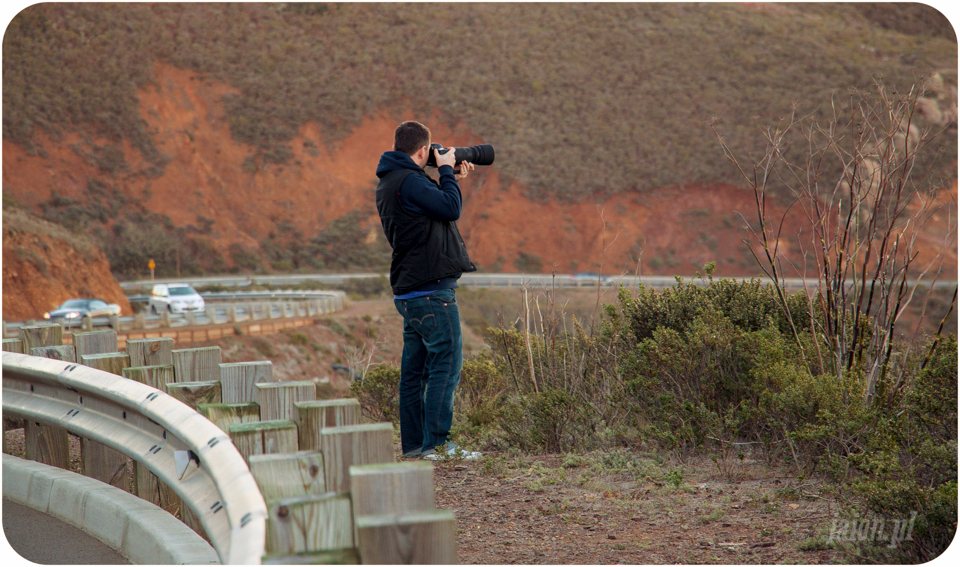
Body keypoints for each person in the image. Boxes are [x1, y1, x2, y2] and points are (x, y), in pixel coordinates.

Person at [374, 120, 480, 460]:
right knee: (445, 366)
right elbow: (451, 209)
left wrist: (450, 178)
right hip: (432, 292)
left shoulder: (393, 181)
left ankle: (414, 447)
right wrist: (447, 172)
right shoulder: (409, 181)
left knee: (414, 373)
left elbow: (429, 208)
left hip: (410, 291)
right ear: (423, 151)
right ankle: (438, 446)